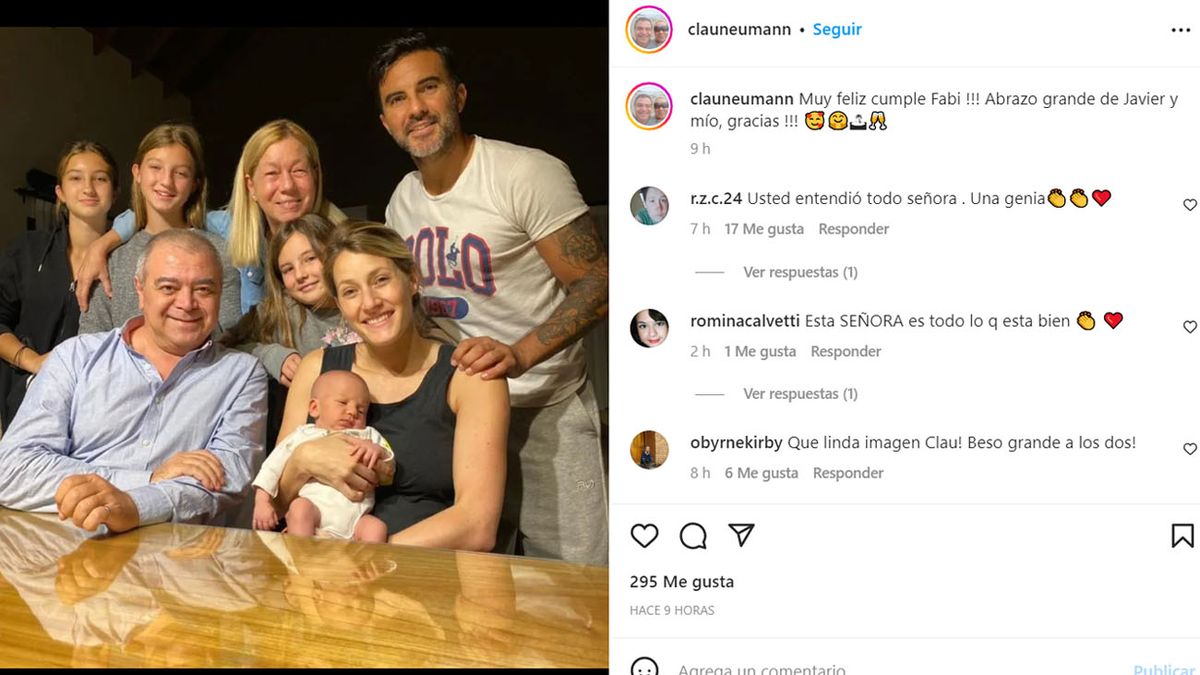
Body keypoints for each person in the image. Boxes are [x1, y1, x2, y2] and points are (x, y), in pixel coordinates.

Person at [371, 32, 609, 564]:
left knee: (572, 581)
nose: (416, 108)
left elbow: (600, 281)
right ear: (386, 122)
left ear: (458, 95)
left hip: (541, 408)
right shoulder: (401, 203)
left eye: (428, 88)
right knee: (477, 579)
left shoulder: (524, 173)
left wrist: (520, 354)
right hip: (458, 417)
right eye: (398, 99)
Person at [0, 229, 267, 533]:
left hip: (178, 557)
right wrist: (146, 480)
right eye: (168, 287)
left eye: (204, 289)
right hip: (64, 548)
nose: (187, 303)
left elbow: (226, 481)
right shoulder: (75, 357)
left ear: (220, 294)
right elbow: (12, 469)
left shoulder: (242, 375)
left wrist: (132, 506)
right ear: (140, 290)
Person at [273, 221, 509, 552]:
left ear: (412, 279)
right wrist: (303, 459)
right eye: (350, 291)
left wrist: (363, 558)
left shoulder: (469, 375)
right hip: (316, 570)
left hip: (421, 571)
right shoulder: (316, 369)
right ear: (339, 304)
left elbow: (476, 526)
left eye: (380, 280)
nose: (369, 303)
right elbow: (275, 504)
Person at [75, 119, 346, 317]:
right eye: (272, 173)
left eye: (298, 171)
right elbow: (168, 209)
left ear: (316, 176)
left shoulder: (347, 242)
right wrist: (104, 243)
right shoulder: (231, 229)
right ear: (251, 185)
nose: (287, 186)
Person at [77, 123, 241, 336]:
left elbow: (232, 335)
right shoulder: (112, 260)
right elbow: (89, 340)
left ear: (195, 183)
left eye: (180, 173)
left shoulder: (219, 252)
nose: (166, 181)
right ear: (137, 173)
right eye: (155, 168)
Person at [0, 140, 118, 430]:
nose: (88, 188)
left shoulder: (128, 259)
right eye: (76, 178)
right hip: (23, 410)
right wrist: (33, 361)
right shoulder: (28, 250)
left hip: (97, 417)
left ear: (115, 192)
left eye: (100, 179)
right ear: (60, 192)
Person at [252, 370, 393, 542]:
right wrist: (262, 501)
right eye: (342, 403)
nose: (352, 412)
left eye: (361, 410)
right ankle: (301, 552)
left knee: (377, 527)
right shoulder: (302, 436)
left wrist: (377, 451)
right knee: (299, 508)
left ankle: (366, 560)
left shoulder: (368, 435)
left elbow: (389, 469)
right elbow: (271, 467)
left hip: (356, 522)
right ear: (314, 408)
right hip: (315, 516)